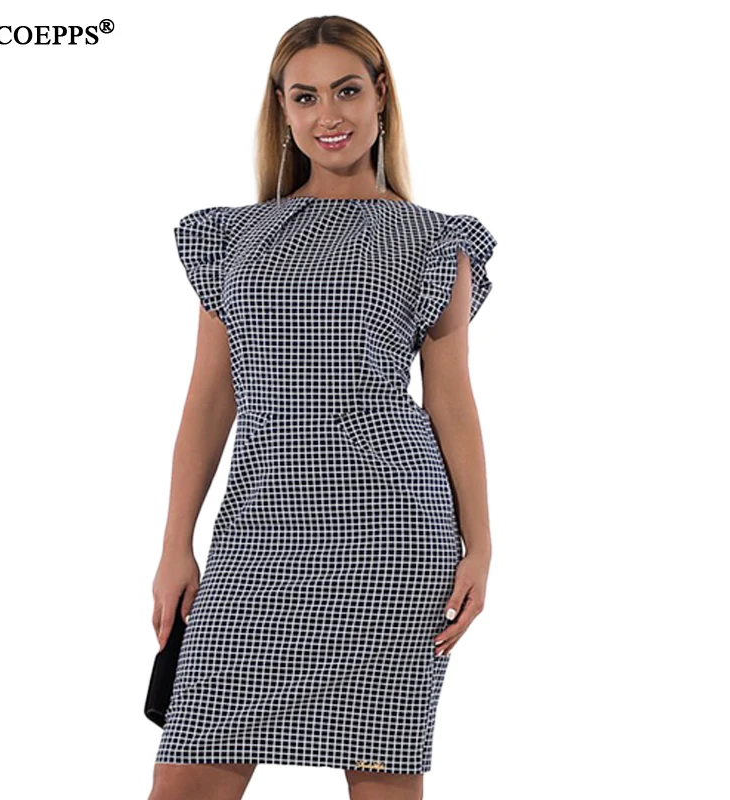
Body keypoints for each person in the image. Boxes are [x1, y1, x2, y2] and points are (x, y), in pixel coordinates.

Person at [149, 15, 497, 800]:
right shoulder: (231, 237)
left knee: (381, 776)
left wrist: (480, 546)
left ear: (380, 95)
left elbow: (452, 402)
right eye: (304, 97)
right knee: (186, 779)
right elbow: (210, 397)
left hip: (390, 534)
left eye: (346, 91)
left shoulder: (435, 241)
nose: (327, 115)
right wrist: (176, 545)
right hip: (256, 534)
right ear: (282, 107)